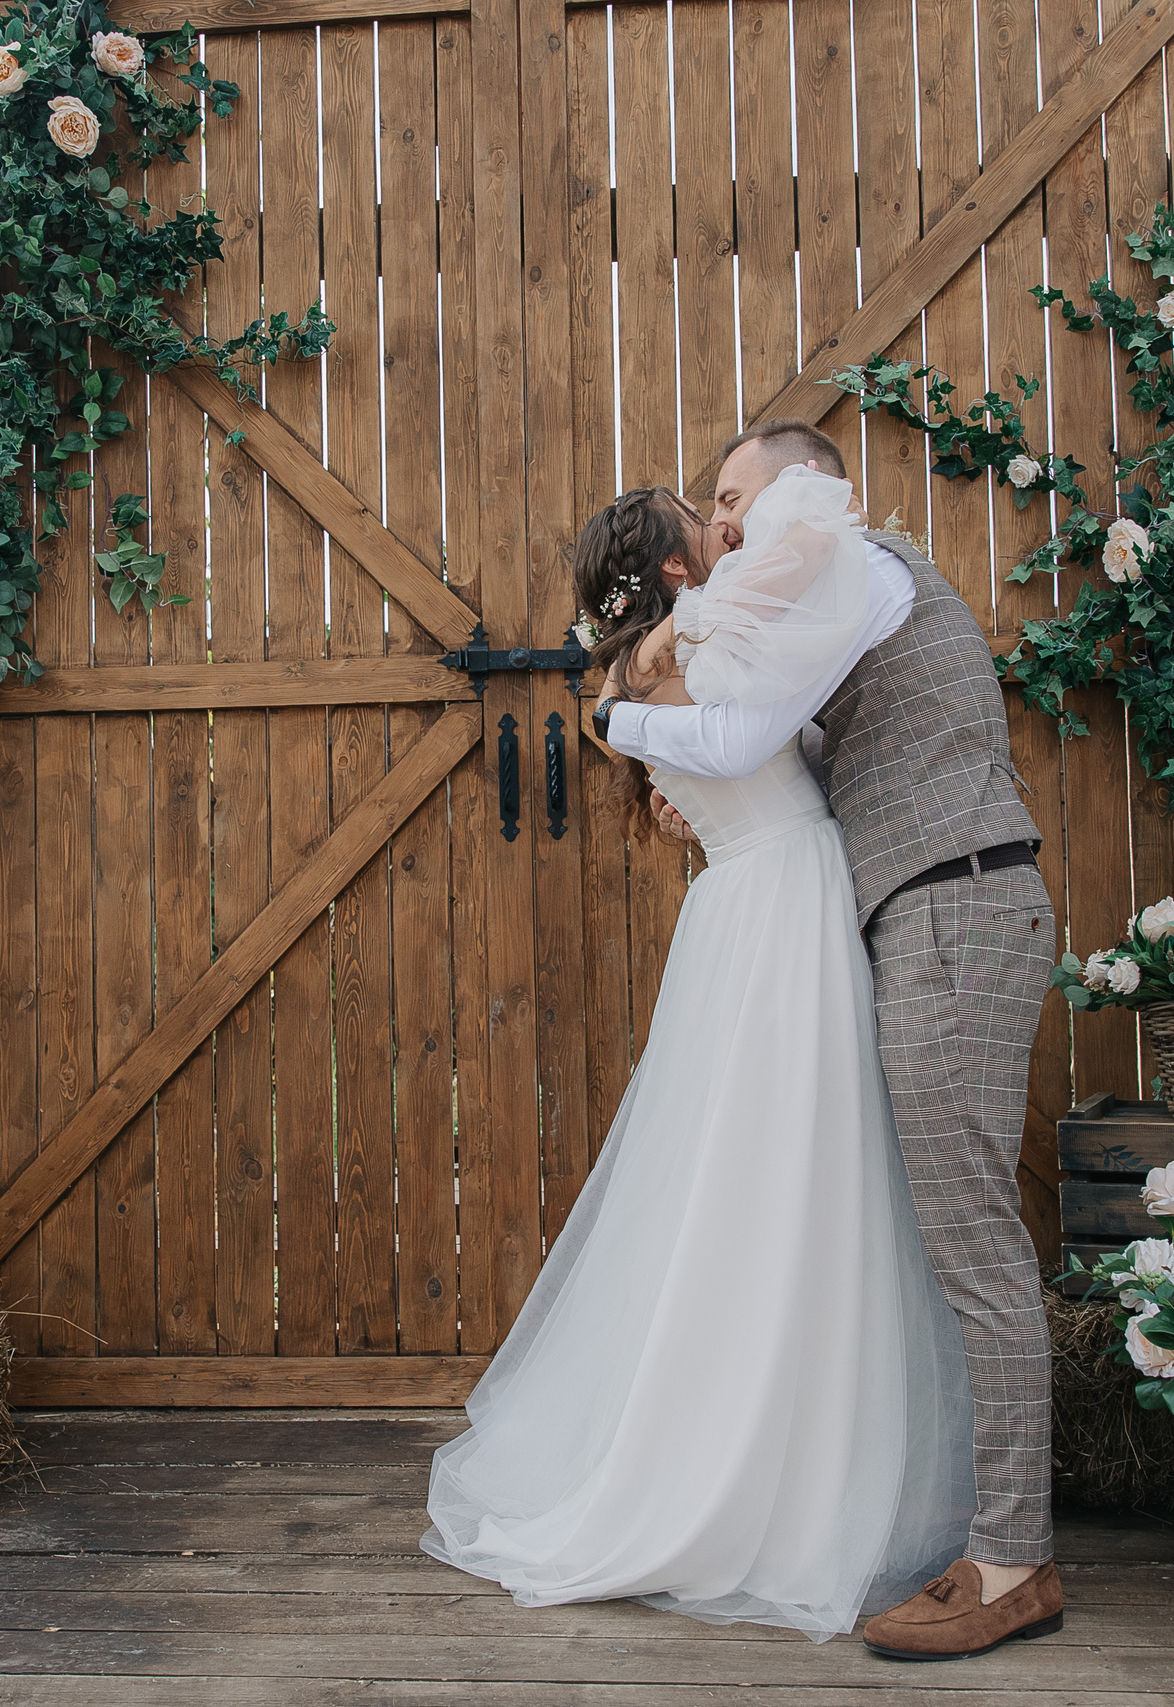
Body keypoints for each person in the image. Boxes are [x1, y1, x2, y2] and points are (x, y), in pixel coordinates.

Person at [417, 473, 977, 1643]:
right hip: (781, 906)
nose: (728, 528)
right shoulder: (682, 650)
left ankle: (760, 1433)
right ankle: (768, 1468)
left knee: (757, 1180)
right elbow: (748, 739)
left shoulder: (644, 662)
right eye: (704, 519)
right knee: (790, 1175)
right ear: (675, 569)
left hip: (747, 905)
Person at [600, 421, 1061, 1662]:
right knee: (942, 1230)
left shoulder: (849, 558)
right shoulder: (827, 589)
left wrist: (619, 724)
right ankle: (972, 1526)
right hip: (922, 902)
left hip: (957, 902)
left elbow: (747, 739)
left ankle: (1012, 1561)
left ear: (799, 480)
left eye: (733, 495)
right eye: (714, 509)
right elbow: (791, 741)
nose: (728, 524)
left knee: (971, 1240)